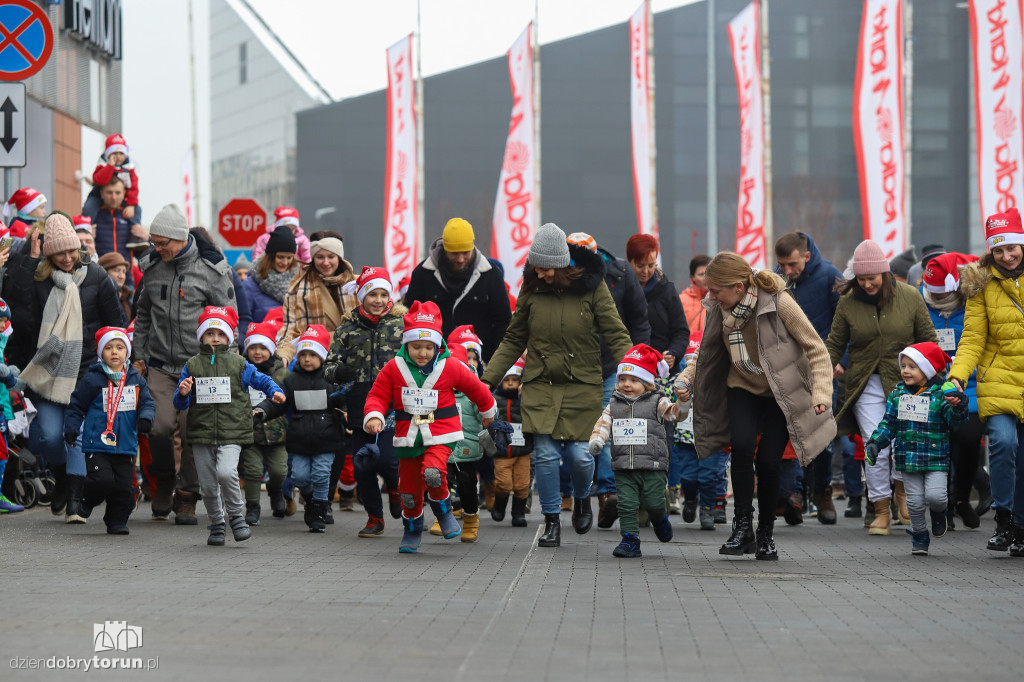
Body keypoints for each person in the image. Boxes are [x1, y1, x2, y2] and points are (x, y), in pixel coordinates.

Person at [481, 223, 633, 548]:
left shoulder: (593, 287)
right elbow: (514, 337)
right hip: (541, 384)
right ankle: (551, 520)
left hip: (583, 385)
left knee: (580, 456)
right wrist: (485, 382)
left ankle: (580, 498)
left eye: (548, 268)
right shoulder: (532, 287)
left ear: (563, 264)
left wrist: (634, 372)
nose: (542, 274)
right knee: (547, 456)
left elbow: (616, 332)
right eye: (536, 267)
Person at [678, 252, 835, 560]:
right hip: (742, 387)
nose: (710, 297)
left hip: (780, 393)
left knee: (768, 462)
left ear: (738, 287)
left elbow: (816, 347)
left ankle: (765, 534)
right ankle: (742, 529)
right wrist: (686, 379)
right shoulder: (718, 309)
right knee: (742, 447)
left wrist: (821, 394)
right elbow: (706, 355)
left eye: (715, 291)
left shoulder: (778, 301)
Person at [5, 213, 125, 523]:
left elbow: (115, 326)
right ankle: (60, 475)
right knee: (49, 436)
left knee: (77, 434)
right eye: (60, 253)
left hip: (87, 371)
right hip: (48, 373)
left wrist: (114, 362)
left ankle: (74, 499)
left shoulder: (97, 277)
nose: (68, 258)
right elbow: (19, 311)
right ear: (49, 253)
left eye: (71, 251)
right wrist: (29, 261)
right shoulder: (39, 278)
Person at [131, 204, 238, 525]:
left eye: (162, 243)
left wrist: (226, 362)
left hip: (202, 367)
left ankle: (188, 496)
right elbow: (143, 314)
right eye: (154, 242)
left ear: (180, 238)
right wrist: (138, 354)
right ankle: (164, 480)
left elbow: (229, 319)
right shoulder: (152, 268)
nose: (157, 248)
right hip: (161, 366)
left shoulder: (212, 270)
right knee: (158, 426)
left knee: (195, 432)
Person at [362, 301, 497, 553]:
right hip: (408, 436)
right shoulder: (394, 368)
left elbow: (477, 388)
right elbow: (377, 395)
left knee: (433, 472)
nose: (422, 353)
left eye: (428, 347)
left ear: (437, 345)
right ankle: (411, 530)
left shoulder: (451, 366)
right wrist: (374, 415)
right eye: (416, 347)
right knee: (409, 491)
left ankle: (444, 510)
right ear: (406, 344)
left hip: (442, 432)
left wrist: (489, 412)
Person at [825, 239, 937, 536]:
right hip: (865, 382)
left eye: (871, 278)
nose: (866, 284)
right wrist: (822, 372)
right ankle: (880, 509)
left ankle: (902, 493)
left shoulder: (911, 297)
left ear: (885, 274)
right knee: (876, 445)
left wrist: (934, 378)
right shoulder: (848, 302)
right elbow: (835, 343)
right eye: (861, 279)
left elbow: (929, 340)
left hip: (907, 384)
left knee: (903, 443)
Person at [173, 307, 284, 545]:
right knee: (208, 485)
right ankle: (216, 524)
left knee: (226, 472)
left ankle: (236, 517)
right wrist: (182, 393)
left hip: (233, 431)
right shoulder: (192, 365)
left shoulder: (239, 363)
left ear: (229, 337)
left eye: (220, 333)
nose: (215, 338)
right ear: (201, 336)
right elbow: (180, 401)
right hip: (201, 433)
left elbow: (261, 379)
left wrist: (275, 391)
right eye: (210, 333)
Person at [948, 208, 1024, 556]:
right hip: (999, 379)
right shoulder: (980, 285)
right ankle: (1004, 518)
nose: (1007, 256)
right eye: (999, 250)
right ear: (990, 252)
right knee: (1004, 445)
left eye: (1012, 248)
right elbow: (973, 339)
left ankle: (1021, 527)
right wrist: (957, 377)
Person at [566, 231, 651, 529]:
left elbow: (638, 320)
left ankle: (607, 494)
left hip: (611, 365)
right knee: (578, 434)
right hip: (572, 369)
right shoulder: (563, 276)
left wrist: (637, 365)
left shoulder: (620, 274)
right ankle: (579, 495)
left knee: (608, 426)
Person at [323, 266, 406, 538]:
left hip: (395, 404)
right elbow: (329, 366)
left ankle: (395, 487)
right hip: (359, 403)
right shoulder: (346, 329)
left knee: (387, 461)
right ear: (362, 297)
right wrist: (340, 372)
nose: (379, 300)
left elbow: (422, 355)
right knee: (362, 464)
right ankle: (374, 518)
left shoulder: (401, 326)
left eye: (384, 294)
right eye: (373, 294)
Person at [864, 342, 967, 555]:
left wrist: (959, 406)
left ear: (928, 369)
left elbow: (954, 423)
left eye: (913, 366)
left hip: (935, 457)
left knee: (936, 497)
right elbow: (888, 424)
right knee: (915, 502)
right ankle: (920, 535)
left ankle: (939, 513)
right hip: (907, 457)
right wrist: (875, 443)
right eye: (903, 366)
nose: (905, 371)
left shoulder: (941, 394)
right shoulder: (897, 394)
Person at [588, 344, 688, 557]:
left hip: (653, 465)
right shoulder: (614, 403)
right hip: (624, 466)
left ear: (647, 383)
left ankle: (660, 518)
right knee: (627, 504)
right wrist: (597, 440)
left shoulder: (656, 401)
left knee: (654, 502)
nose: (627, 384)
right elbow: (603, 423)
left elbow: (673, 414)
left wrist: (683, 403)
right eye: (623, 379)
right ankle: (630, 540)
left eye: (634, 380)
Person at [774, 230, 844, 524]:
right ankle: (794, 494)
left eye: (792, 265)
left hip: (823, 367)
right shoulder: (775, 280)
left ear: (806, 255)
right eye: (782, 266)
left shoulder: (830, 276)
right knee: (791, 432)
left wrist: (841, 360)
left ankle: (822, 489)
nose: (787, 271)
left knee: (823, 434)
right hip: (788, 368)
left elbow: (845, 322)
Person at [63, 326, 155, 534]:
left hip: (125, 445)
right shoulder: (92, 379)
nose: (115, 352)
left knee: (124, 488)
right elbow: (76, 405)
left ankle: (116, 520)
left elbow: (147, 404)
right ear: (101, 353)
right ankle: (86, 500)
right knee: (101, 480)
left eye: (120, 347)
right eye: (109, 348)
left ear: (127, 352)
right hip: (98, 442)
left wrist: (146, 418)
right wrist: (71, 428)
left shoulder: (135, 380)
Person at [255, 325, 346, 534]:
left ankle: (319, 510)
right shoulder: (291, 380)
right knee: (300, 477)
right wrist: (261, 411)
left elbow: (342, 401)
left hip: (327, 439)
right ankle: (310, 499)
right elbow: (277, 402)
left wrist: (346, 415)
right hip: (299, 440)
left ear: (323, 356)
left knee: (322, 475)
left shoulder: (332, 379)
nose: (307, 359)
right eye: (303, 354)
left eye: (312, 354)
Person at [920, 252, 983, 530]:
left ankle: (962, 499)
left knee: (969, 441)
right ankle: (942, 504)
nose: (937, 300)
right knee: (939, 447)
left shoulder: (973, 304)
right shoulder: (920, 305)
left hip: (970, 387)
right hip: (934, 389)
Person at [403, 218, 512, 361]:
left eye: (466, 253)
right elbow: (409, 318)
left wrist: (493, 364)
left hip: (479, 364)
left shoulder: (490, 275)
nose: (460, 259)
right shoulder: (423, 274)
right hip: (433, 363)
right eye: (454, 253)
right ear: (444, 249)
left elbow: (503, 323)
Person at [277, 236, 356, 364]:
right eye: (320, 257)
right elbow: (291, 329)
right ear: (313, 259)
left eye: (331, 256)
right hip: (313, 358)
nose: (326, 262)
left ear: (339, 258)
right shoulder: (298, 288)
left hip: (352, 356)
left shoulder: (357, 285)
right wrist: (283, 356)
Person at [240, 321, 288, 526]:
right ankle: (252, 506)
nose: (257, 352)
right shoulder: (241, 371)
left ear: (272, 349)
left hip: (278, 433)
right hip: (250, 431)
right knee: (252, 470)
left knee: (279, 471)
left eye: (262, 348)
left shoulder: (282, 373)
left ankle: (275, 490)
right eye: (252, 348)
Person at [626, 234, 689, 374]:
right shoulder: (621, 289)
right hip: (630, 368)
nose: (646, 271)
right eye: (640, 266)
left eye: (651, 265)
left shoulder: (667, 290)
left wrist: (674, 353)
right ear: (629, 262)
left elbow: (681, 331)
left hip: (663, 370)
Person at [487, 357, 532, 526]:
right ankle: (500, 504)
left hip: (523, 450)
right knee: (504, 483)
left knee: (522, 484)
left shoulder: (526, 400)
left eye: (515, 380)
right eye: (507, 380)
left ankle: (518, 514)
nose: (511, 383)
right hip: (501, 451)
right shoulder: (494, 400)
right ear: (501, 382)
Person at [242, 225, 300, 324]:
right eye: (280, 257)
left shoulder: (299, 282)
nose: (285, 262)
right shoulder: (250, 285)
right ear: (270, 256)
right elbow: (243, 320)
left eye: (289, 258)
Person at [94, 177, 148, 277]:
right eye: (109, 192)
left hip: (126, 278)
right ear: (102, 193)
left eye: (118, 193)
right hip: (101, 278)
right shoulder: (93, 216)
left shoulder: (132, 216)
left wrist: (146, 238)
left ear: (124, 193)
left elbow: (144, 253)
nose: (114, 197)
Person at [85, 134, 140, 223]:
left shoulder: (129, 169)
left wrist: (131, 204)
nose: (118, 157)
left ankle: (136, 231)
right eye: (114, 153)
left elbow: (133, 188)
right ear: (108, 154)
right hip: (98, 195)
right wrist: (110, 166)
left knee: (137, 210)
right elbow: (99, 180)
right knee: (89, 208)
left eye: (121, 153)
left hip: (121, 197)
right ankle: (87, 229)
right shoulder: (102, 165)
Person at [97, 251, 134, 324]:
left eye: (124, 272)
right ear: (105, 273)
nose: (121, 276)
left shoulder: (126, 297)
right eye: (116, 271)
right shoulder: (98, 298)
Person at [679, 254, 711, 333]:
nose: (705, 278)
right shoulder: (681, 300)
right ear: (692, 277)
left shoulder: (720, 300)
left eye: (709, 273)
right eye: (701, 274)